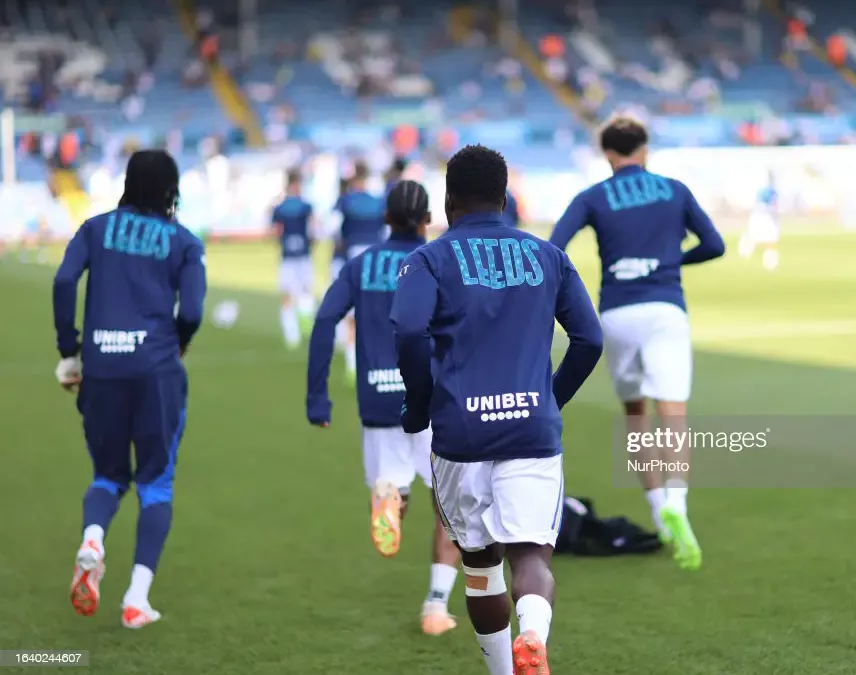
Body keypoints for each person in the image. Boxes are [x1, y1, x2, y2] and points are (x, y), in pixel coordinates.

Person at [391, 144, 603, 675]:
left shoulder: (427, 260)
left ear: (447, 201)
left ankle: (504, 671)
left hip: (460, 434)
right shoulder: (547, 255)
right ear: (506, 197)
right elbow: (589, 339)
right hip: (530, 430)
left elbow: (409, 330)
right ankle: (532, 632)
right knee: (531, 556)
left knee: (481, 566)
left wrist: (419, 405)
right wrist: (550, 399)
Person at [548, 116, 725, 570]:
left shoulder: (592, 196)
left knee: (635, 418)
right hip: (665, 308)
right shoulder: (674, 189)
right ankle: (678, 508)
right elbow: (715, 244)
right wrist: (672, 261)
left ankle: (657, 515)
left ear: (608, 155)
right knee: (674, 415)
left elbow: (555, 245)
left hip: (617, 313)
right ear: (644, 150)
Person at [52, 149, 206, 629]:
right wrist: (177, 344)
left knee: (108, 476)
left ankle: (93, 539)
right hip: (156, 371)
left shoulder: (95, 229)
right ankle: (136, 599)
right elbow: (194, 310)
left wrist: (69, 348)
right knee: (155, 483)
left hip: (100, 368)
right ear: (170, 190)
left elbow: (63, 281)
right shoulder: (183, 241)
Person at [306, 179, 462, 636]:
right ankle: (435, 606)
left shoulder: (361, 264)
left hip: (377, 397)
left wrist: (318, 395)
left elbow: (324, 320)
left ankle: (391, 495)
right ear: (427, 218)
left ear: (386, 218)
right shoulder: (438, 260)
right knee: (449, 506)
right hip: (434, 398)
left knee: (396, 480)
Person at [331, 161, 386, 383]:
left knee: (352, 312)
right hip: (376, 258)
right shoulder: (379, 202)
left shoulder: (346, 201)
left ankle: (353, 364)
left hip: (353, 256)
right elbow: (388, 231)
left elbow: (331, 229)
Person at [272, 169, 316, 350]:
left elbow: (276, 231)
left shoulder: (280, 207)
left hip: (287, 256)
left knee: (287, 294)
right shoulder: (306, 206)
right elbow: (313, 230)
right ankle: (306, 323)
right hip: (303, 255)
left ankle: (292, 334)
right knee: (305, 290)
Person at [739, 171, 780, 270]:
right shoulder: (768, 191)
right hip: (761, 216)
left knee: (769, 240)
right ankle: (746, 247)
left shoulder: (768, 190)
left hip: (763, 216)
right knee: (761, 238)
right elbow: (770, 205)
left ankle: (770, 262)